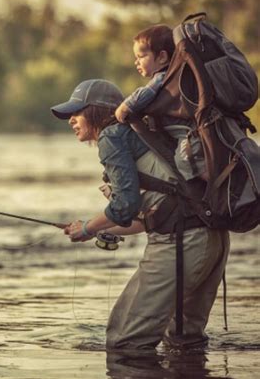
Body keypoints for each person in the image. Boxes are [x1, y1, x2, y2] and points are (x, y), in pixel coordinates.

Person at [50, 78, 229, 351]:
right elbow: (149, 217)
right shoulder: (143, 131)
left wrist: (87, 227)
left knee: (124, 341)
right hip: (212, 238)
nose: (71, 120)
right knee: (183, 343)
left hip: (182, 243)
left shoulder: (111, 136)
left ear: (97, 111)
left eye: (77, 112)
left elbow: (125, 206)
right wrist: (94, 228)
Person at [114, 25, 205, 181]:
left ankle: (214, 191)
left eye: (141, 56)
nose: (136, 62)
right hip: (189, 135)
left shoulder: (163, 77)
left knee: (184, 161)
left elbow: (145, 93)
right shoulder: (171, 77)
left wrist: (124, 107)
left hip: (191, 136)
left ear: (162, 57)